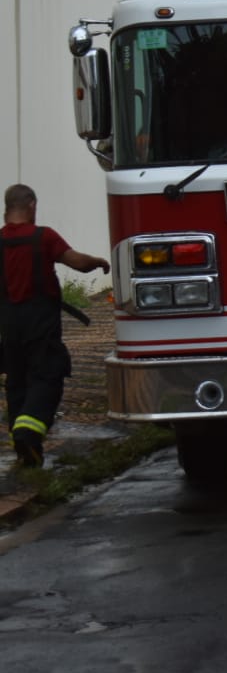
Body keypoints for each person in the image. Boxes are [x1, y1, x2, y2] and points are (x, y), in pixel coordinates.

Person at [0, 184, 110, 468]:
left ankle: (25, 447)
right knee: (47, 376)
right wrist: (98, 262)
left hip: (9, 326)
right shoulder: (43, 237)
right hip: (40, 324)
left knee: (17, 383)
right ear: (32, 205)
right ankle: (28, 432)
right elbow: (77, 263)